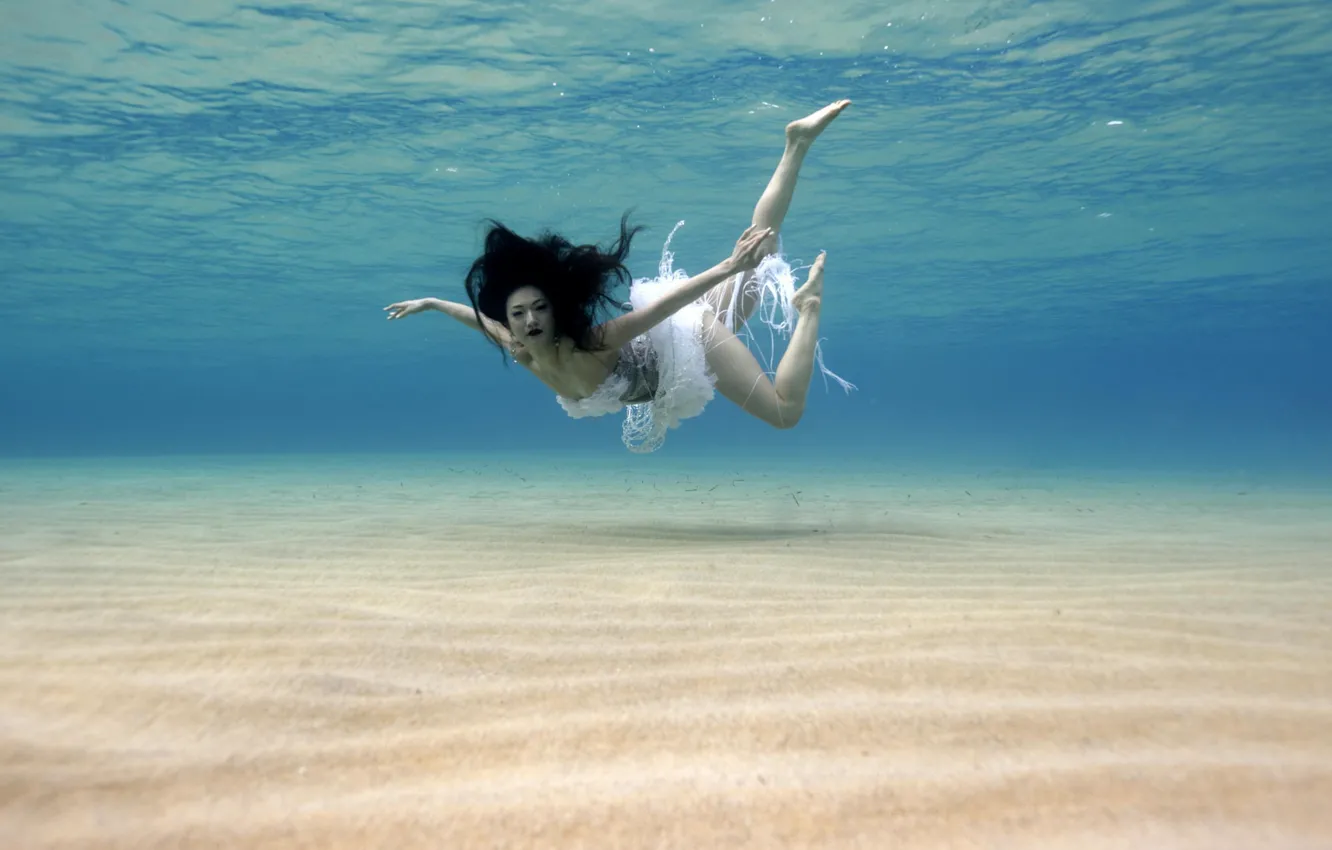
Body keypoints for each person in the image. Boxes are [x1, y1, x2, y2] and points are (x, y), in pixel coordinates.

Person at [384, 99, 855, 452]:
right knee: (762, 249)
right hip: (669, 352)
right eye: (519, 314)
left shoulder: (595, 341)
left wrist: (728, 267)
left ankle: (808, 307)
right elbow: (476, 318)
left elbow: (668, 308)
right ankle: (796, 144)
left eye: (540, 308)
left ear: (557, 312)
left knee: (783, 412)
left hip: (686, 337)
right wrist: (430, 303)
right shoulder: (521, 350)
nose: (529, 320)